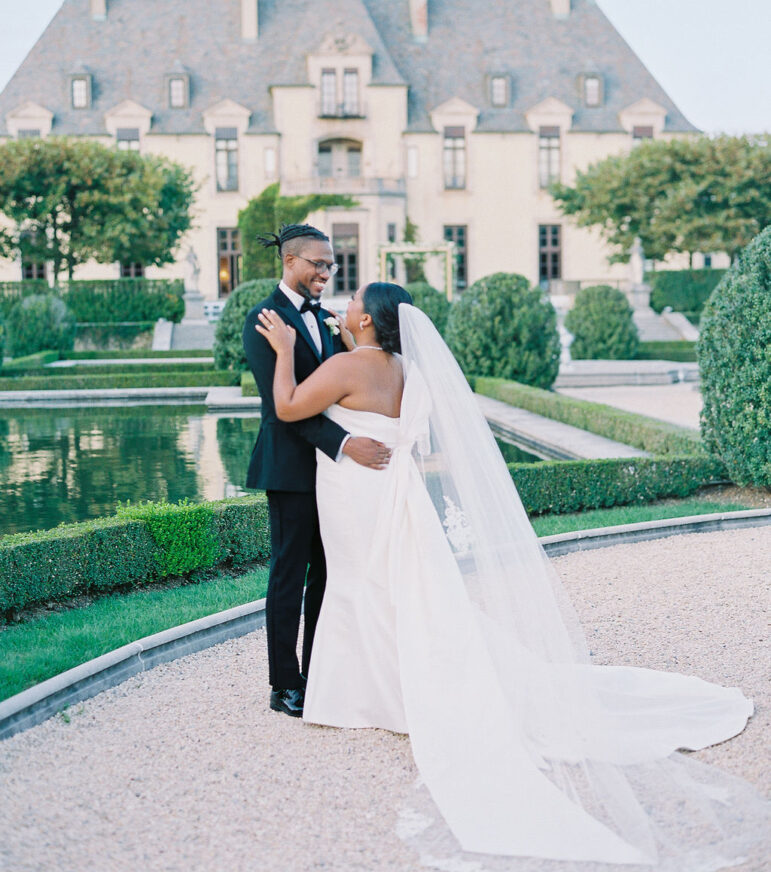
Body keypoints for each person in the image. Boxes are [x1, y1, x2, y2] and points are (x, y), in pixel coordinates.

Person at [255, 284, 768, 871]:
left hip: (356, 494)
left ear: (367, 319)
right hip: (390, 491)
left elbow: (290, 407)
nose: (344, 304)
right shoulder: (401, 367)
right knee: (392, 587)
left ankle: (370, 694)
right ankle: (382, 685)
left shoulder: (347, 365)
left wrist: (284, 351)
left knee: (360, 584)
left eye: (354, 303)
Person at [242, 225, 392, 719]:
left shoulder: (327, 319)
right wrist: (346, 443)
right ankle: (284, 683)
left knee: (330, 573)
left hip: (334, 477)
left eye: (331, 265)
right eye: (318, 264)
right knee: (289, 576)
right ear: (290, 261)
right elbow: (282, 407)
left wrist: (349, 345)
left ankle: (323, 672)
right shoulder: (264, 319)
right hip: (290, 469)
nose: (327, 272)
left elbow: (339, 394)